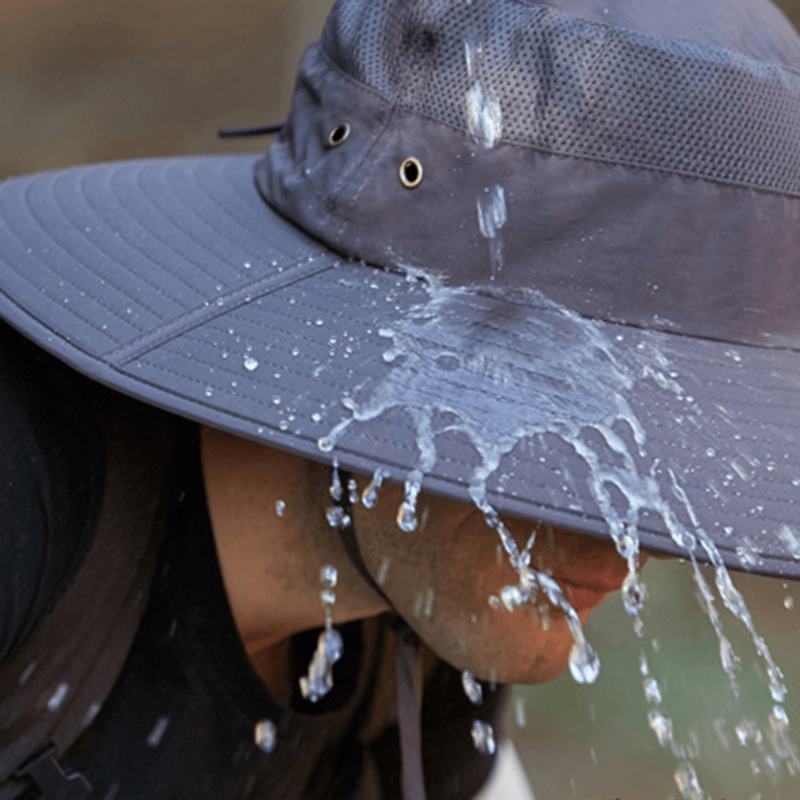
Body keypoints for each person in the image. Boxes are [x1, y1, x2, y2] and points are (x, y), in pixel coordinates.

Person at [1, 0, 800, 798]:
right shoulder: (30, 492)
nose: (629, 544)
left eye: (673, 456)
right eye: (569, 439)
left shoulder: (430, 647)